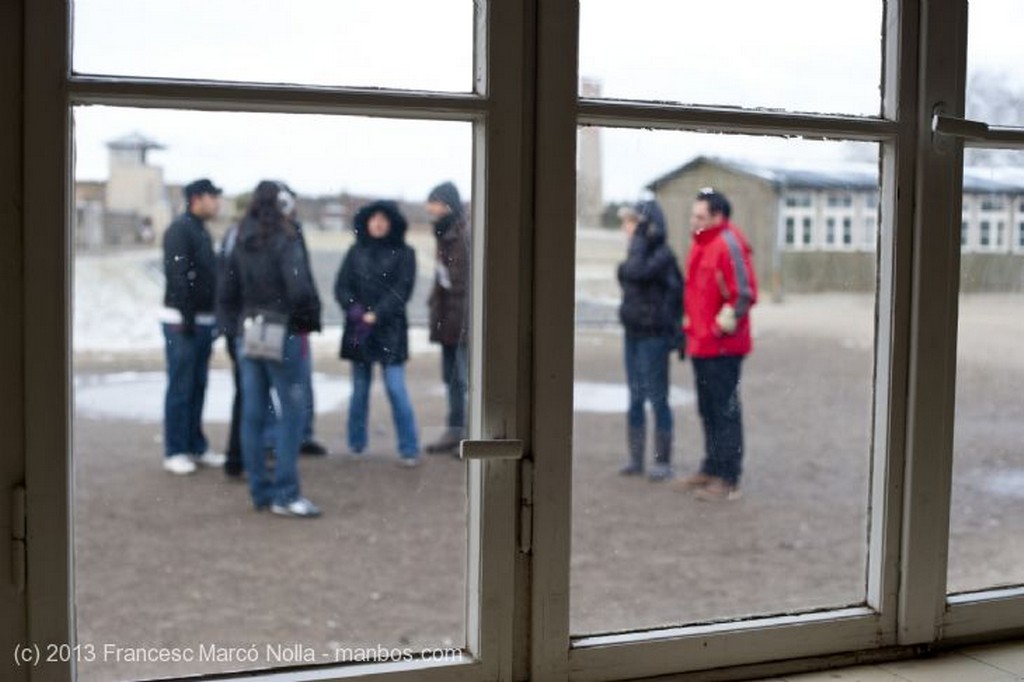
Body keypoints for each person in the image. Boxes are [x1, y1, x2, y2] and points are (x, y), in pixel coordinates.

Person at [219, 180, 323, 517]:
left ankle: (260, 492)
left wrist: (233, 329)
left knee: (253, 413)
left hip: (249, 330)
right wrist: (306, 320)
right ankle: (286, 494)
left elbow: (228, 289)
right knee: (291, 414)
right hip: (283, 330)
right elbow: (300, 289)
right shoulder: (285, 238)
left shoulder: (240, 238)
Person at [673, 188, 758, 502]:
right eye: (693, 215)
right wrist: (689, 332)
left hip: (723, 348)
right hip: (701, 345)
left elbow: (745, 294)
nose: (693, 221)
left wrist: (717, 330)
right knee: (708, 409)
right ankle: (711, 467)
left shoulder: (729, 244)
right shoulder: (701, 244)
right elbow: (694, 296)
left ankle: (728, 477)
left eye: (700, 216)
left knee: (725, 411)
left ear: (718, 217)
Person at [334, 200, 421, 467]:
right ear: (366, 222)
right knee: (359, 391)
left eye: (384, 219)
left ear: (393, 223)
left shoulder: (405, 253)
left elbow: (402, 291)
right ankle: (356, 444)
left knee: (396, 389)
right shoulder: (354, 252)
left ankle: (409, 448)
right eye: (374, 219)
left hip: (390, 331)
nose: (378, 223)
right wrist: (355, 310)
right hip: (360, 331)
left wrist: (377, 314)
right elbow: (341, 287)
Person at [160, 178, 227, 475]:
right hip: (181, 323)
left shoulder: (200, 229)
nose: (217, 203)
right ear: (197, 199)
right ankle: (175, 449)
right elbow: (177, 275)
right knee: (181, 387)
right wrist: (188, 318)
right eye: (214, 197)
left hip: (202, 321)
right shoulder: (179, 229)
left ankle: (195, 445)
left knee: (198, 385)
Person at [616, 200, 684, 482]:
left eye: (631, 222)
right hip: (632, 334)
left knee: (658, 398)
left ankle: (662, 461)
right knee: (634, 397)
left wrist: (672, 333)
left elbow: (638, 275)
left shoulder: (661, 255)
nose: (625, 228)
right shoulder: (637, 252)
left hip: (653, 337)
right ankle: (635, 458)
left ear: (645, 225)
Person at [424, 181, 470, 455]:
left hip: (463, 322)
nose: (431, 209)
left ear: (447, 204)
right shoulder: (445, 234)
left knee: (465, 381)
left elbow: (465, 285)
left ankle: (468, 435)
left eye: (435, 203)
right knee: (451, 380)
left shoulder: (464, 235)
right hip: (448, 322)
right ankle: (454, 432)